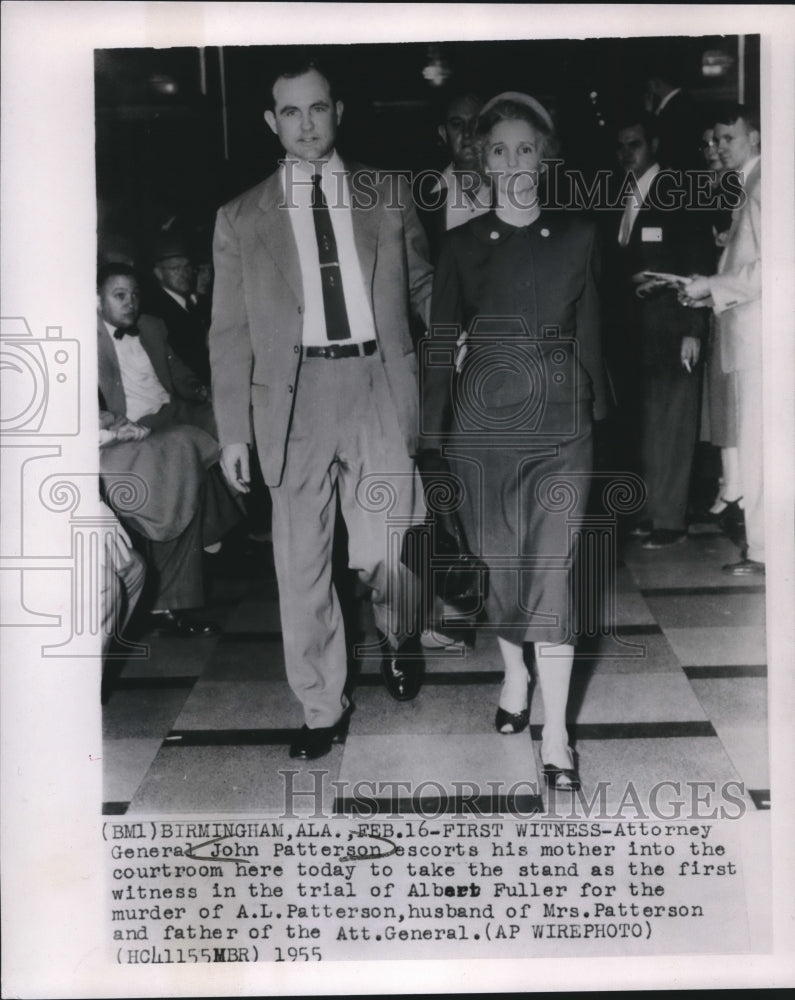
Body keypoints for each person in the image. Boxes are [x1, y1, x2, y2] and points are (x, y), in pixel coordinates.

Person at [209, 56, 433, 760]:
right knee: (299, 564)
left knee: (391, 547)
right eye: (291, 112)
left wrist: (465, 358)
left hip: (375, 382)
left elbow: (425, 290)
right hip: (292, 400)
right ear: (271, 122)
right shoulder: (240, 217)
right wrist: (233, 433)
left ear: (337, 111)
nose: (306, 124)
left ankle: (400, 637)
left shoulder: (388, 193)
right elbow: (228, 332)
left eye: (318, 108)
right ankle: (319, 705)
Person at [421, 93, 609, 791]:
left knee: (553, 577)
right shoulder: (460, 247)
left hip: (563, 428)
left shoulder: (580, 237)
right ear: (481, 160)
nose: (513, 164)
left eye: (525, 149)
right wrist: (431, 433)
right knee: (502, 572)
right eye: (497, 151)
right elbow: (441, 342)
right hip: (484, 432)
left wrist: (598, 414)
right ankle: (511, 678)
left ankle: (556, 736)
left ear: (546, 156)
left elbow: (592, 335)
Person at [612, 114, 712, 548]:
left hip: (675, 324)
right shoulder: (626, 194)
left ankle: (671, 518)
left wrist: (693, 328)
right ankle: (653, 509)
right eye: (621, 146)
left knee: (674, 423)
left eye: (634, 144)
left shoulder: (677, 190)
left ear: (652, 144)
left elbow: (698, 261)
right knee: (650, 426)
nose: (626, 154)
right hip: (640, 328)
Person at [680, 105, 763, 576]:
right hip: (744, 333)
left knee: (758, 448)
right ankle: (761, 548)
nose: (720, 147)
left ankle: (766, 551)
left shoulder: (762, 185)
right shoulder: (747, 187)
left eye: (729, 138)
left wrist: (712, 287)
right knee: (752, 447)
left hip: (758, 340)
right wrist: (708, 289)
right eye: (716, 139)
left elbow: (771, 267)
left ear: (753, 137)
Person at [418, 92, 490, 261]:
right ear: (443, 134)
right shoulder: (422, 198)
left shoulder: (510, 189)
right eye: (457, 125)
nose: (467, 134)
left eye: (476, 124)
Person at [149, 233, 212, 384]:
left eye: (187, 266)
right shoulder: (157, 312)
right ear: (159, 273)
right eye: (175, 268)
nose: (183, 273)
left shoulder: (192, 304)